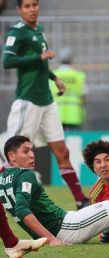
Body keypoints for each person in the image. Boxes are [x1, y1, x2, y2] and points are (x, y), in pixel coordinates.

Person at [1, 0, 89, 209]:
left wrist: (53, 77)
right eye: (27, 6)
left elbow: (42, 63)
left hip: (46, 101)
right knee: (12, 154)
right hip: (28, 101)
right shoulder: (17, 32)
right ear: (19, 10)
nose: (32, 9)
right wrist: (37, 56)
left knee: (62, 151)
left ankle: (80, 200)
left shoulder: (39, 30)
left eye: (34, 5)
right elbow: (7, 60)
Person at [49, 47, 88, 130]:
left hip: (56, 114)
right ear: (72, 59)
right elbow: (83, 96)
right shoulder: (79, 75)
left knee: (58, 141)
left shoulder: (52, 75)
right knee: (75, 140)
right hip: (75, 114)